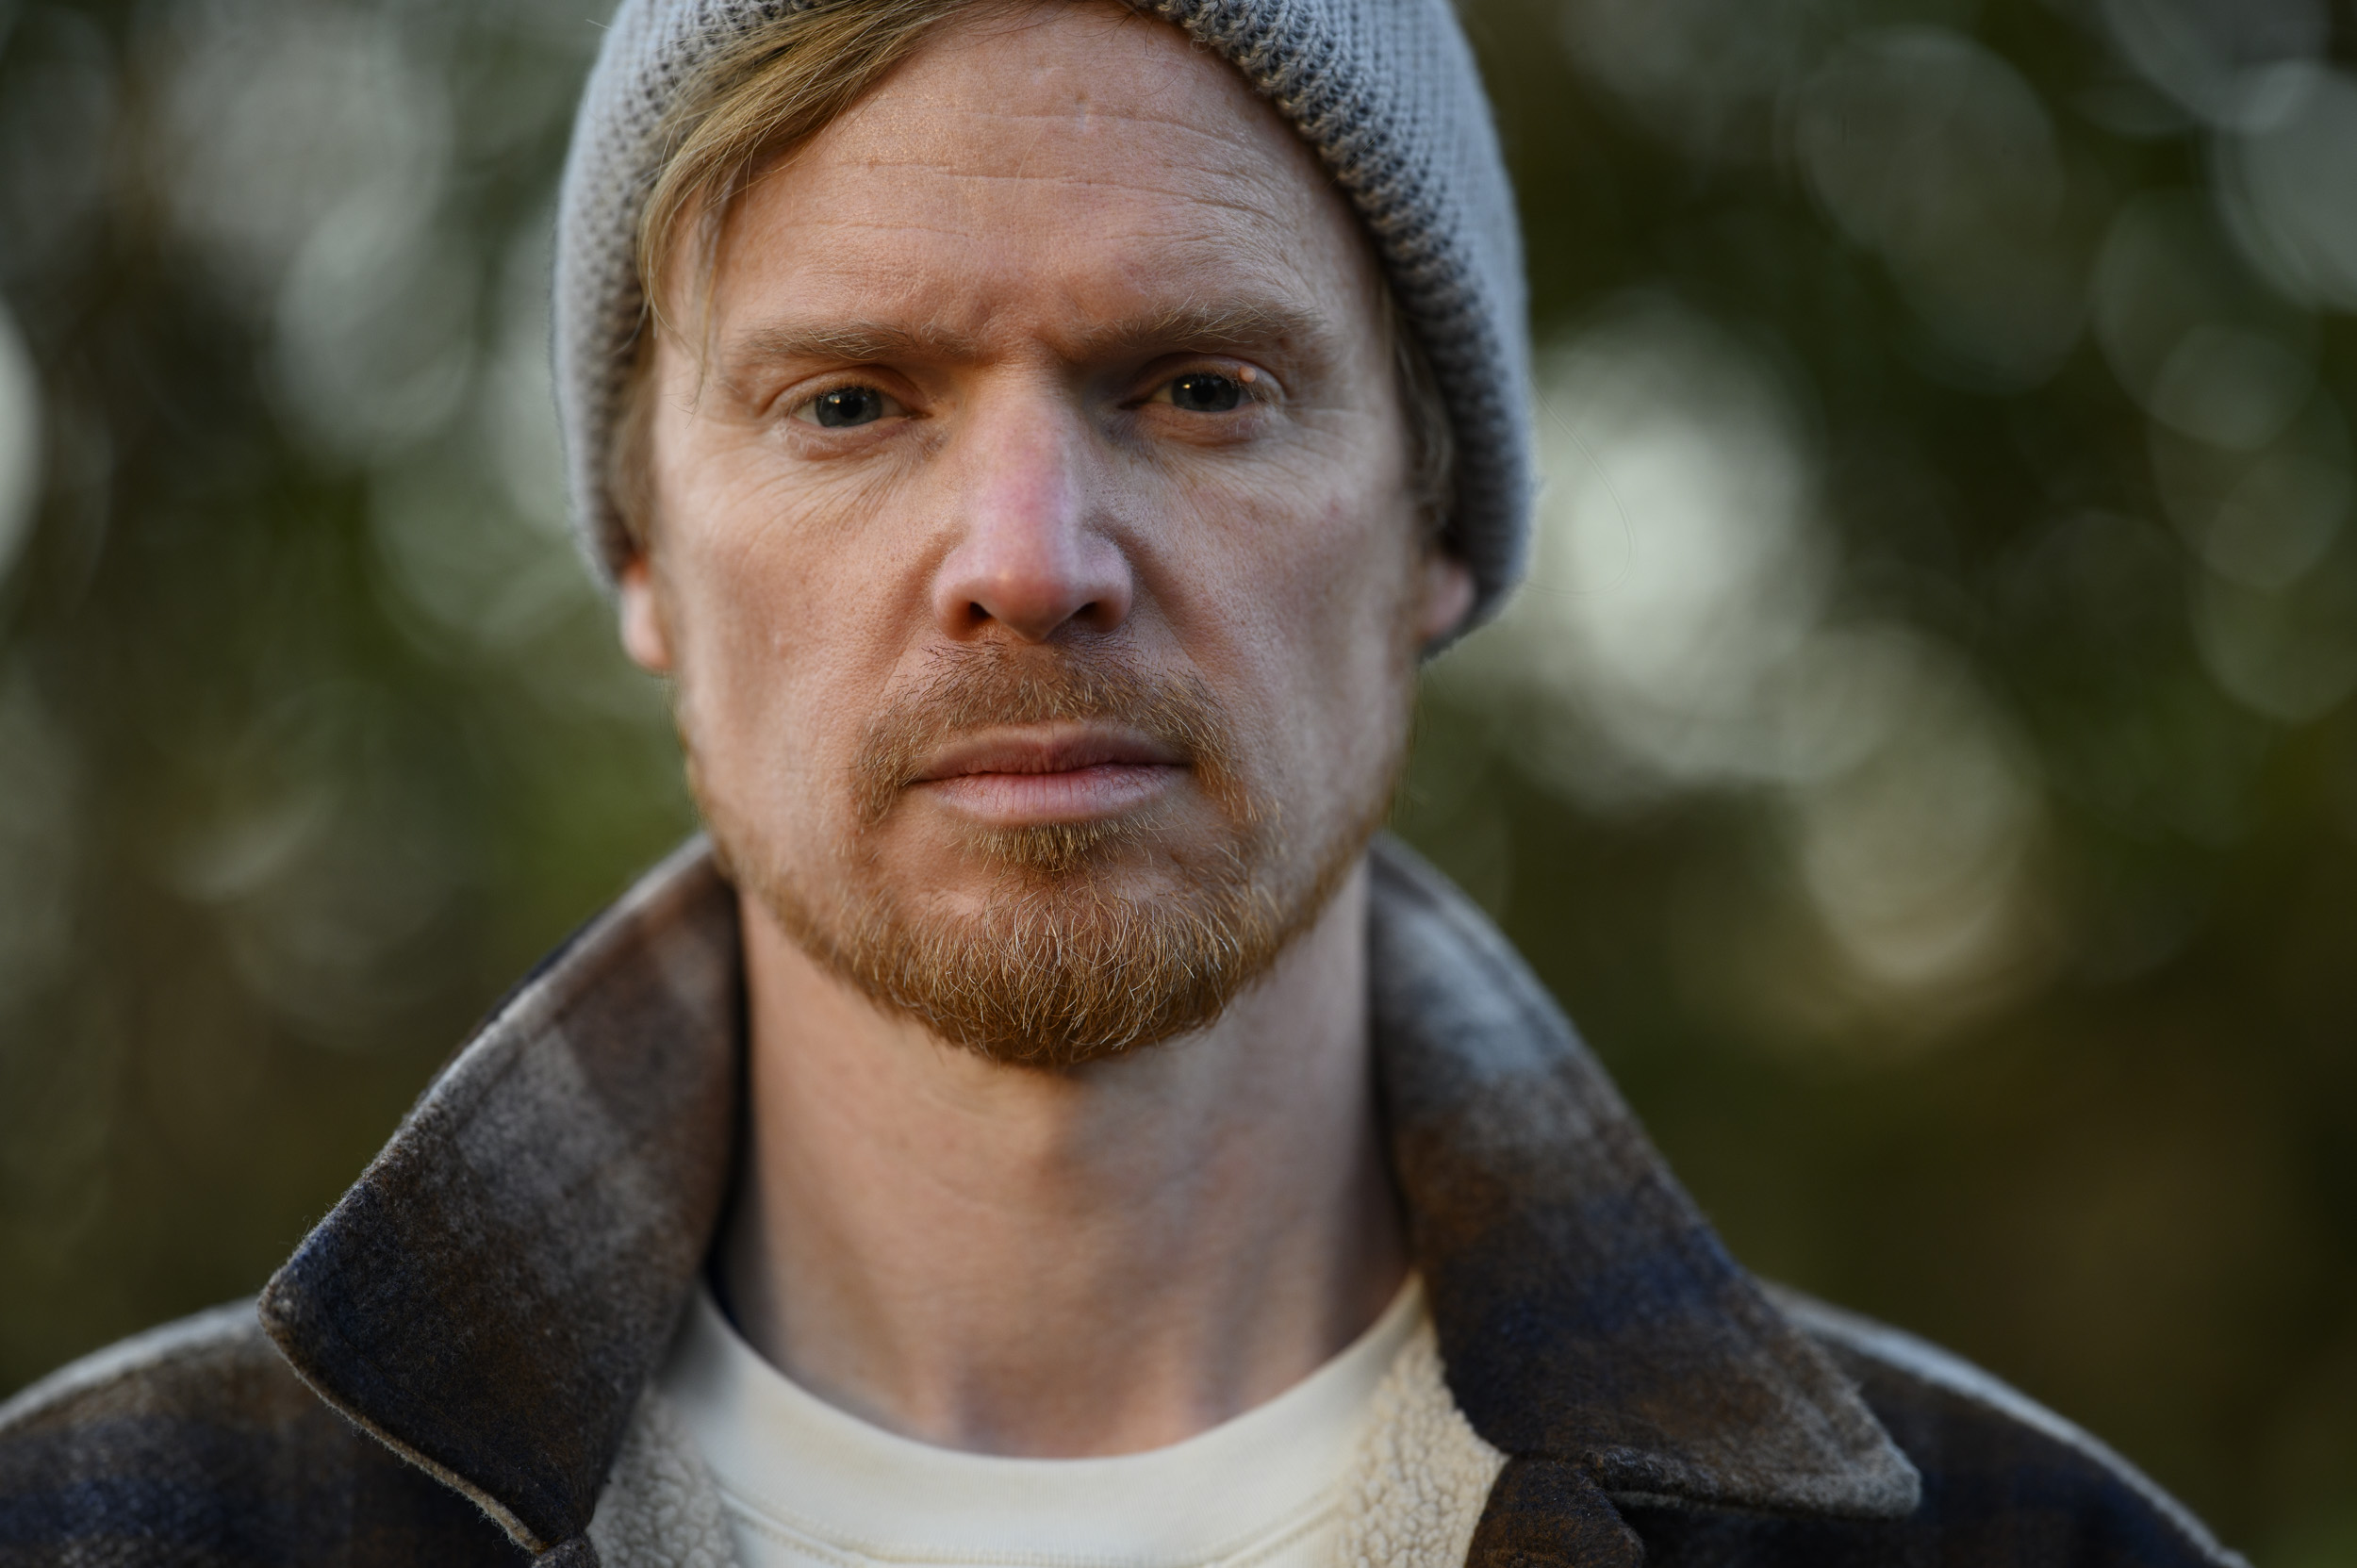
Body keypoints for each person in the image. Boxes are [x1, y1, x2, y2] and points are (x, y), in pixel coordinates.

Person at [0, 0, 2245, 1562]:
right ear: (645, 560)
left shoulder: (2023, 1547)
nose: (1026, 566)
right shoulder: (122, 1528)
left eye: (1193, 385)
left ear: (1433, 533)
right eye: (849, 404)